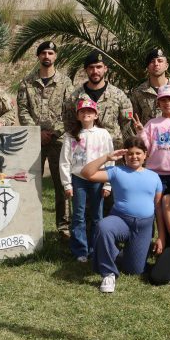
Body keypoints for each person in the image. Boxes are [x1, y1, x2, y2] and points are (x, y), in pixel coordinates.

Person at [80, 138, 163, 293]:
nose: (134, 156)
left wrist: (161, 237)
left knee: (135, 270)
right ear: (124, 156)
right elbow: (86, 173)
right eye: (130, 153)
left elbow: (158, 208)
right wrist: (106, 158)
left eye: (138, 153)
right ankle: (108, 273)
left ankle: (114, 253)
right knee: (103, 227)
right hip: (121, 220)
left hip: (144, 226)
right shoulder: (116, 171)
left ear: (145, 155)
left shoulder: (154, 177)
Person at [17, 40, 75, 239]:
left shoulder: (66, 82)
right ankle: (31, 224)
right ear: (38, 57)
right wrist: (36, 133)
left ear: (55, 56)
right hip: (34, 141)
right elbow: (23, 110)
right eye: (43, 53)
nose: (47, 56)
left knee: (62, 184)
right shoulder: (27, 82)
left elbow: (69, 111)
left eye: (50, 53)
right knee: (31, 184)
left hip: (59, 141)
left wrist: (54, 132)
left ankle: (64, 227)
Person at [58, 99, 113, 263]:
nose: (86, 114)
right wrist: (67, 184)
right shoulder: (70, 136)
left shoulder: (103, 134)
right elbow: (65, 161)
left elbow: (110, 159)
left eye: (90, 111)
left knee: (97, 215)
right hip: (78, 179)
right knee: (79, 215)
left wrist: (108, 183)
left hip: (98, 178)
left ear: (96, 115)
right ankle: (80, 250)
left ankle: (96, 248)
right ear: (78, 115)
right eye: (82, 111)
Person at [63, 51, 135, 146]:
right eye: (91, 67)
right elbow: (69, 125)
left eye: (99, 67)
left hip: (112, 150)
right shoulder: (75, 97)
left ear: (105, 69)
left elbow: (126, 126)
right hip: (85, 151)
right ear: (86, 70)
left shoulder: (118, 95)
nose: (95, 71)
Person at [129, 48, 170, 126]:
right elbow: (133, 120)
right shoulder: (139, 93)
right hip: (148, 136)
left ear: (166, 66)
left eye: (160, 61)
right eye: (152, 61)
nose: (156, 64)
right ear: (148, 67)